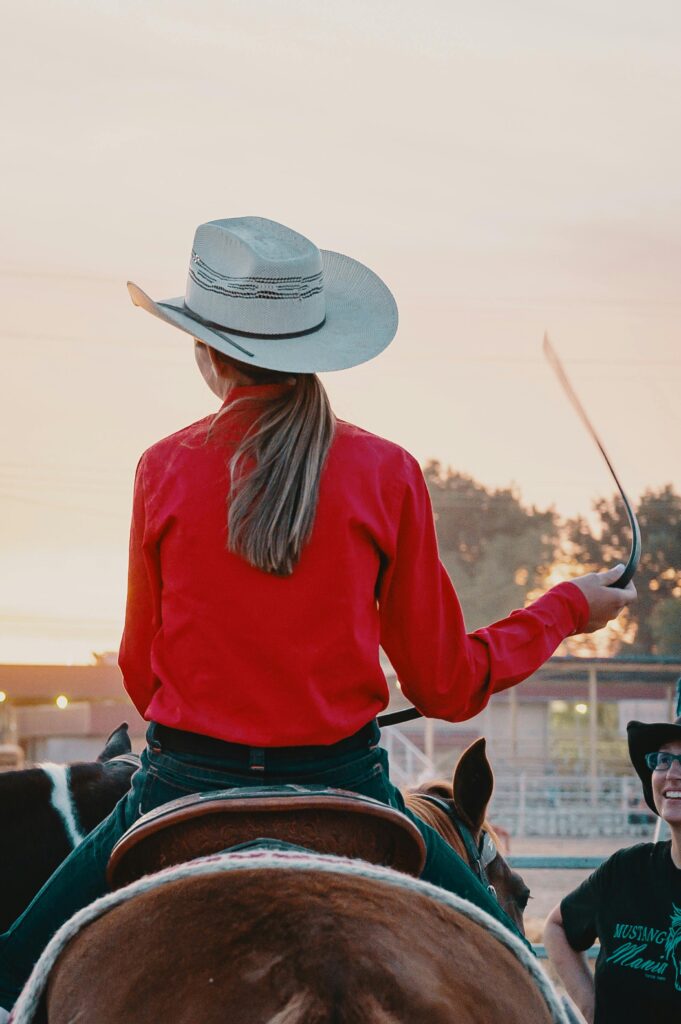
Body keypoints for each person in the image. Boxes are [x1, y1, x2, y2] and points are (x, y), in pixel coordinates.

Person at [0, 217, 635, 1013]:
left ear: (204, 350)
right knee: (536, 989)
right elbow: (445, 686)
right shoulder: (388, 471)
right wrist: (567, 607)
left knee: (7, 972)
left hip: (181, 786)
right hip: (351, 788)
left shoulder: (163, 467)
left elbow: (140, 669)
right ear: (317, 342)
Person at [544, 715, 681, 1023]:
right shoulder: (625, 871)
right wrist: (594, 1010)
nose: (672, 773)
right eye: (663, 760)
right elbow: (557, 928)